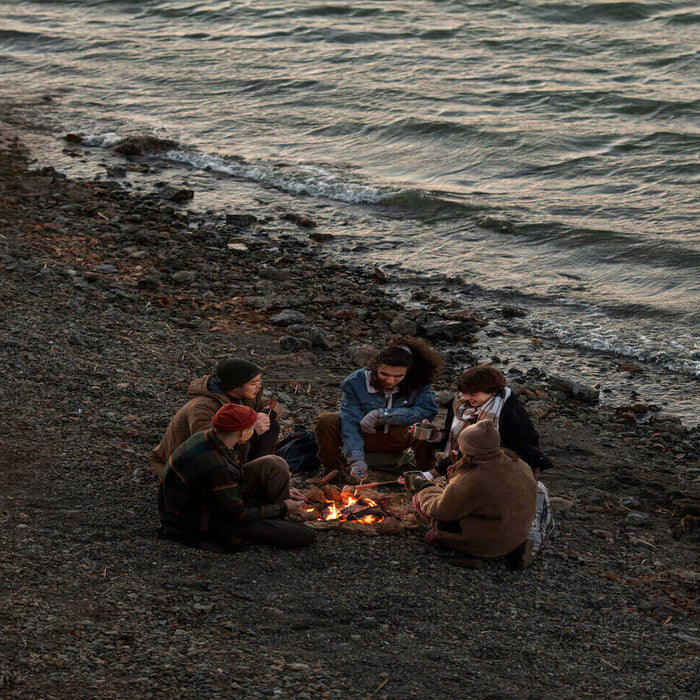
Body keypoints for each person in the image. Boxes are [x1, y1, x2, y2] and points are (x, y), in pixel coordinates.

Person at [158, 403, 315, 550]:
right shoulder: (216, 465)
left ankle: (272, 516)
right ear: (241, 432)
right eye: (252, 427)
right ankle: (272, 518)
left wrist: (285, 493)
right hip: (199, 523)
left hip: (209, 502)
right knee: (304, 535)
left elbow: (233, 478)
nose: (254, 431)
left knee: (274, 464)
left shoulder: (211, 437)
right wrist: (283, 507)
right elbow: (236, 515)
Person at [315, 337, 443, 482]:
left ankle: (424, 476)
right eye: (385, 374)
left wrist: (383, 415)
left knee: (424, 427)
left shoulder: (418, 382)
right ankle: (332, 472)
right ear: (375, 368)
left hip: (397, 437)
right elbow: (349, 422)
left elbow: (427, 410)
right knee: (327, 420)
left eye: (398, 376)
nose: (390, 381)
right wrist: (356, 460)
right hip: (366, 438)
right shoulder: (356, 382)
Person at [413, 420, 537, 569]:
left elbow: (440, 510)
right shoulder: (519, 464)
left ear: (466, 448)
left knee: (430, 531)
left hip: (486, 540)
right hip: (517, 533)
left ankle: (467, 554)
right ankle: (512, 549)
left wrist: (425, 487)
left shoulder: (471, 479)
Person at [150, 357, 282, 476]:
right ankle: (238, 480)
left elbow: (273, 405)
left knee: (271, 426)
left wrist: (265, 416)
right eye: (254, 383)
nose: (259, 387)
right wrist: (251, 428)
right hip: (184, 462)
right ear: (235, 386)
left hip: (222, 451)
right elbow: (207, 441)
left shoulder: (245, 396)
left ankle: (260, 472)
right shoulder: (202, 406)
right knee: (242, 438)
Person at [429, 364, 553, 480]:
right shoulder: (460, 404)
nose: (466, 397)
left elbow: (486, 450)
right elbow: (450, 435)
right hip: (465, 456)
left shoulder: (508, 412)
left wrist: (437, 471)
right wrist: (434, 436)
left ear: (492, 391)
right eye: (464, 393)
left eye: (472, 394)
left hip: (500, 460)